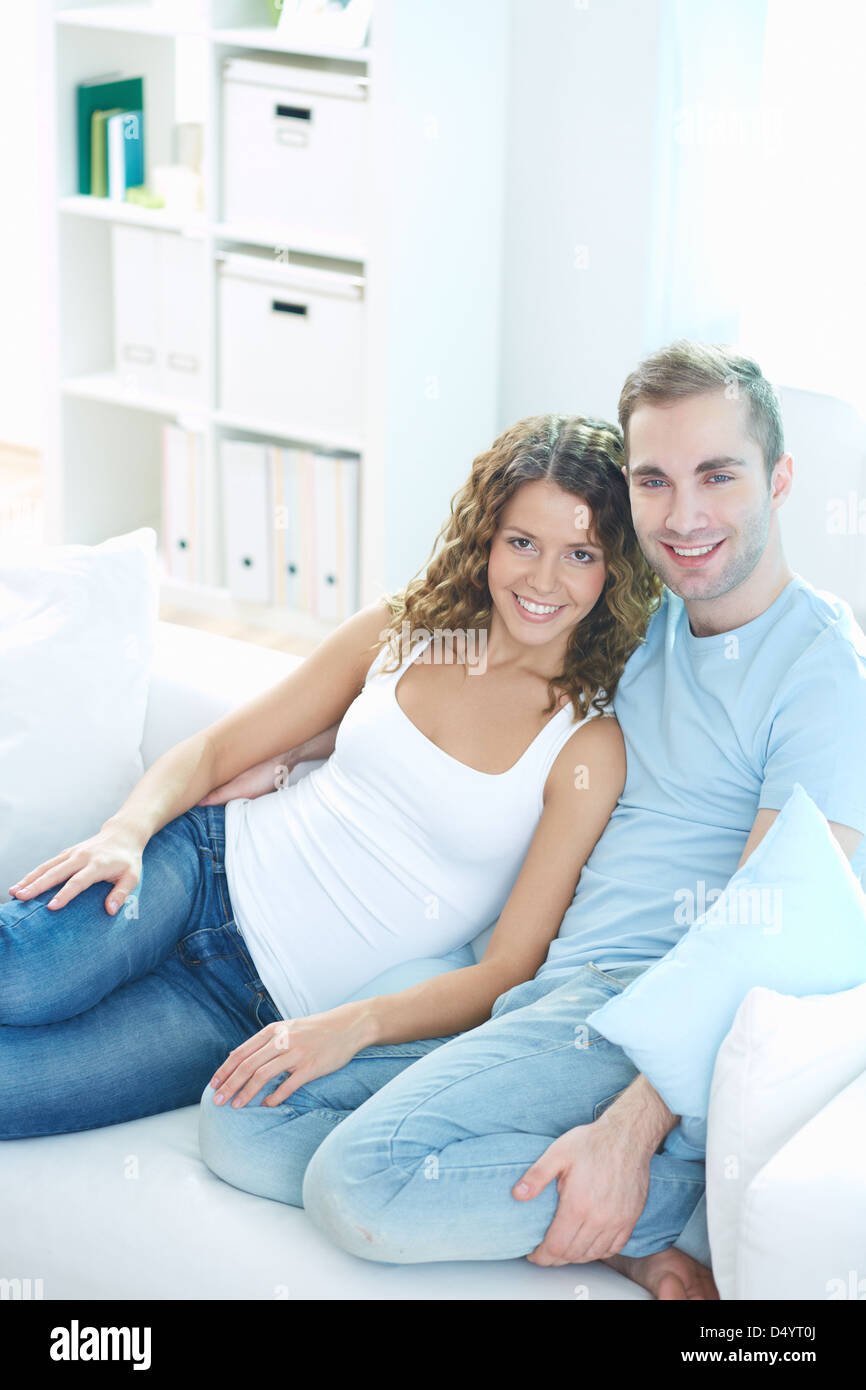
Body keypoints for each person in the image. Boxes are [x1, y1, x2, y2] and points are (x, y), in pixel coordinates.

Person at [197, 340, 866, 1302]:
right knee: (240, 1117)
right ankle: (598, 1220)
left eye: (718, 476)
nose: (685, 516)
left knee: (358, 1185)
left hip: (636, 1012)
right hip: (546, 990)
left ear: (781, 478)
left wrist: (630, 1133)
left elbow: (771, 927)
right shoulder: (650, 620)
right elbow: (510, 671)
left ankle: (676, 1199)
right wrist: (320, 741)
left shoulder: (821, 671)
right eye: (655, 481)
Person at [0, 415, 661, 1141]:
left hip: (250, 1008)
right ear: (487, 539)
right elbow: (216, 752)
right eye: (523, 543)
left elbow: (508, 969)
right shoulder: (403, 631)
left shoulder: (586, 746)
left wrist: (351, 1027)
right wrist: (125, 833)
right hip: (202, 868)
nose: (543, 580)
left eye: (580, 554)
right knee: (19, 977)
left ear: (615, 567)